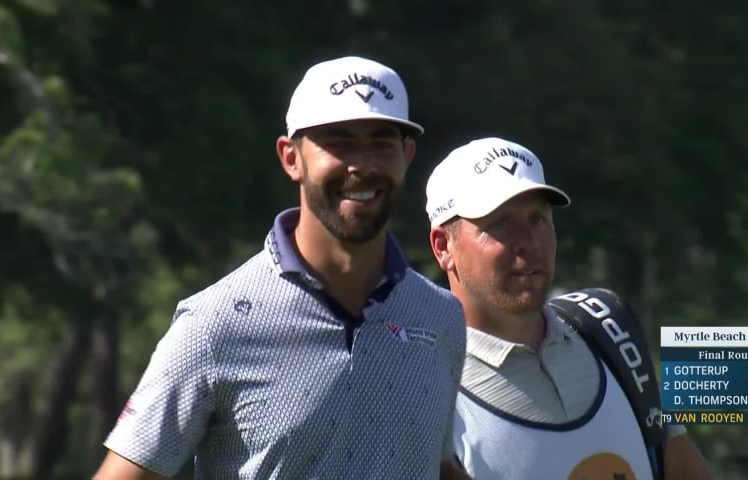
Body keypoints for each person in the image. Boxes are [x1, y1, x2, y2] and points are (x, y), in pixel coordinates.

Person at [94, 56, 468, 480]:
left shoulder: (441, 317)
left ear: (407, 156)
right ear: (291, 158)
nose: (361, 165)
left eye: (381, 143)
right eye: (338, 142)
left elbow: (433, 464)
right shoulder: (213, 325)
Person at [424, 137, 714, 480]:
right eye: (500, 224)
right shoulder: (424, 389)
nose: (529, 242)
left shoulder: (607, 328)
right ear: (443, 247)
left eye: (538, 219)